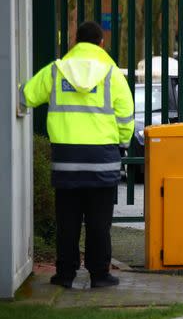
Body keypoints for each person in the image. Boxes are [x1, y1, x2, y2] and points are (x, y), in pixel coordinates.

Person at [20, 21, 134, 288]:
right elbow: (126, 115)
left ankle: (65, 275)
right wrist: (122, 143)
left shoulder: (56, 71)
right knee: (99, 223)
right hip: (103, 161)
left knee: (67, 223)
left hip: (66, 160)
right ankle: (99, 274)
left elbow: (26, 95)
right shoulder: (112, 73)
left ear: (75, 41)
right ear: (101, 43)